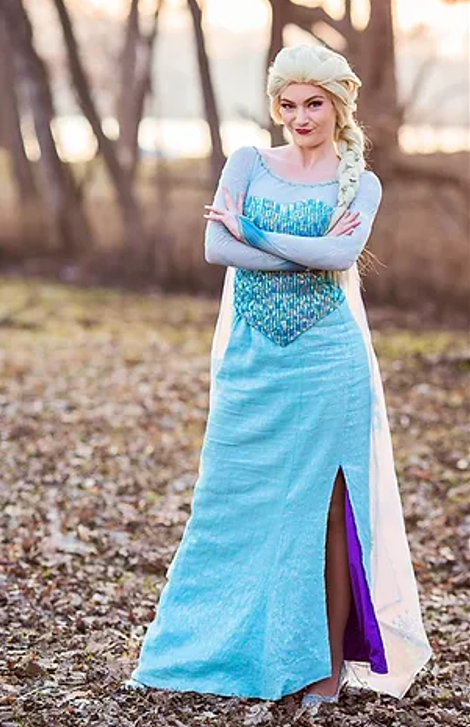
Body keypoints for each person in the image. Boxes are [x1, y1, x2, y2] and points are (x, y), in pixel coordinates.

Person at [125, 44, 432, 712]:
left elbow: (341, 255)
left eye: (313, 103)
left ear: (337, 105)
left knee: (328, 510)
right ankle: (231, 645)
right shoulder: (249, 163)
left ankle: (323, 668)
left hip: (329, 361)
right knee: (236, 498)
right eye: (288, 104)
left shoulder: (361, 183)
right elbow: (215, 247)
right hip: (252, 361)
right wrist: (294, 248)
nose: (300, 117)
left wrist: (255, 234)